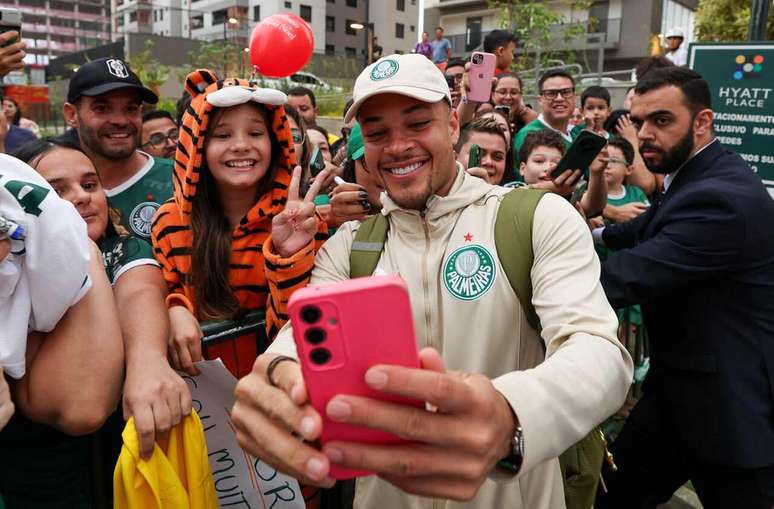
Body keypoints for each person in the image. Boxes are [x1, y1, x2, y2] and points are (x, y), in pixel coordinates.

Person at [231, 53, 631, 508]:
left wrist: (512, 415)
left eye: (418, 123)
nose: (397, 146)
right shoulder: (349, 246)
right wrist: (278, 379)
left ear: (453, 127)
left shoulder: (536, 217)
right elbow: (301, 343)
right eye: (377, 133)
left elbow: (598, 350)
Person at [594, 67, 774, 508]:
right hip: (677, 394)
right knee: (609, 497)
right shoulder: (696, 173)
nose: (645, 134)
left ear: (702, 121)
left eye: (661, 120)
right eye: (638, 122)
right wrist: (579, 232)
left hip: (731, 409)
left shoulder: (721, 199)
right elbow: (644, 227)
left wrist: (517, 280)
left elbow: (626, 277)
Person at [151, 70, 329, 378]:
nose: (241, 145)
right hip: (199, 399)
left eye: (256, 133)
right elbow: (154, 296)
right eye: (222, 135)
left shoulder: (304, 220)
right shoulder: (169, 221)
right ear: (197, 147)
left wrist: (289, 257)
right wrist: (173, 309)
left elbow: (300, 331)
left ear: (275, 141)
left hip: (280, 389)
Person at [0, 151, 125, 508]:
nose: (81, 197)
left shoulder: (129, 252)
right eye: (56, 193)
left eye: (89, 184)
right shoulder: (16, 285)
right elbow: (80, 408)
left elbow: (141, 288)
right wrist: (81, 249)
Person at [62, 57, 172, 240]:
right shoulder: (51, 190)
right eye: (102, 108)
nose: (120, 121)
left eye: (131, 108)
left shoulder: (182, 181)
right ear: (72, 114)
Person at [513, 69, 578, 159]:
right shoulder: (527, 136)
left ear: (575, 97)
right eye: (551, 93)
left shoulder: (578, 135)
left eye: (566, 92)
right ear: (540, 100)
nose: (559, 98)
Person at [455, 117, 508, 185]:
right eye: (478, 153)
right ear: (455, 157)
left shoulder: (514, 194)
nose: (489, 162)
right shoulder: (438, 193)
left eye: (497, 157)